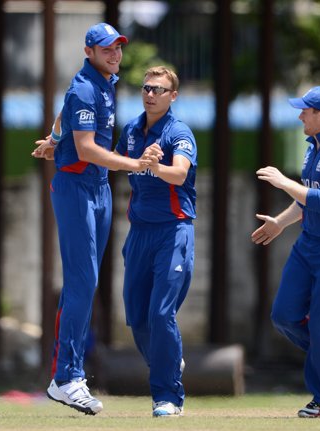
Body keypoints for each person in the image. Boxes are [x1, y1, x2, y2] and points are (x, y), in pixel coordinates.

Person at [31, 22, 161, 415]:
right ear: (89, 51)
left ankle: (70, 375)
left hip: (98, 189)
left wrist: (54, 140)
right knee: (82, 282)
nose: (115, 54)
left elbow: (64, 116)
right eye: (106, 49)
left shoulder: (104, 84)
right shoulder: (86, 86)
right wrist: (134, 164)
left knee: (87, 283)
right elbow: (86, 150)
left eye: (118, 47)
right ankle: (66, 377)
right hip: (76, 188)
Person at [251, 86, 320, 418]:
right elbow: (306, 198)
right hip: (309, 244)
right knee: (283, 315)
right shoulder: (313, 147)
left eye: (306, 110)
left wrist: (282, 181)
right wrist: (281, 222)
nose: (300, 115)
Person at [114, 66, 197, 417]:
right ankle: (168, 361)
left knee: (161, 313)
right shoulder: (132, 128)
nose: (150, 94)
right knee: (136, 315)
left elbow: (179, 173)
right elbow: (119, 162)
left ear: (172, 96)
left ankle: (168, 397)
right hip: (140, 232)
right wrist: (136, 161)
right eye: (147, 88)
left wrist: (152, 167)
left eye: (159, 90)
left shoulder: (178, 132)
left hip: (173, 231)